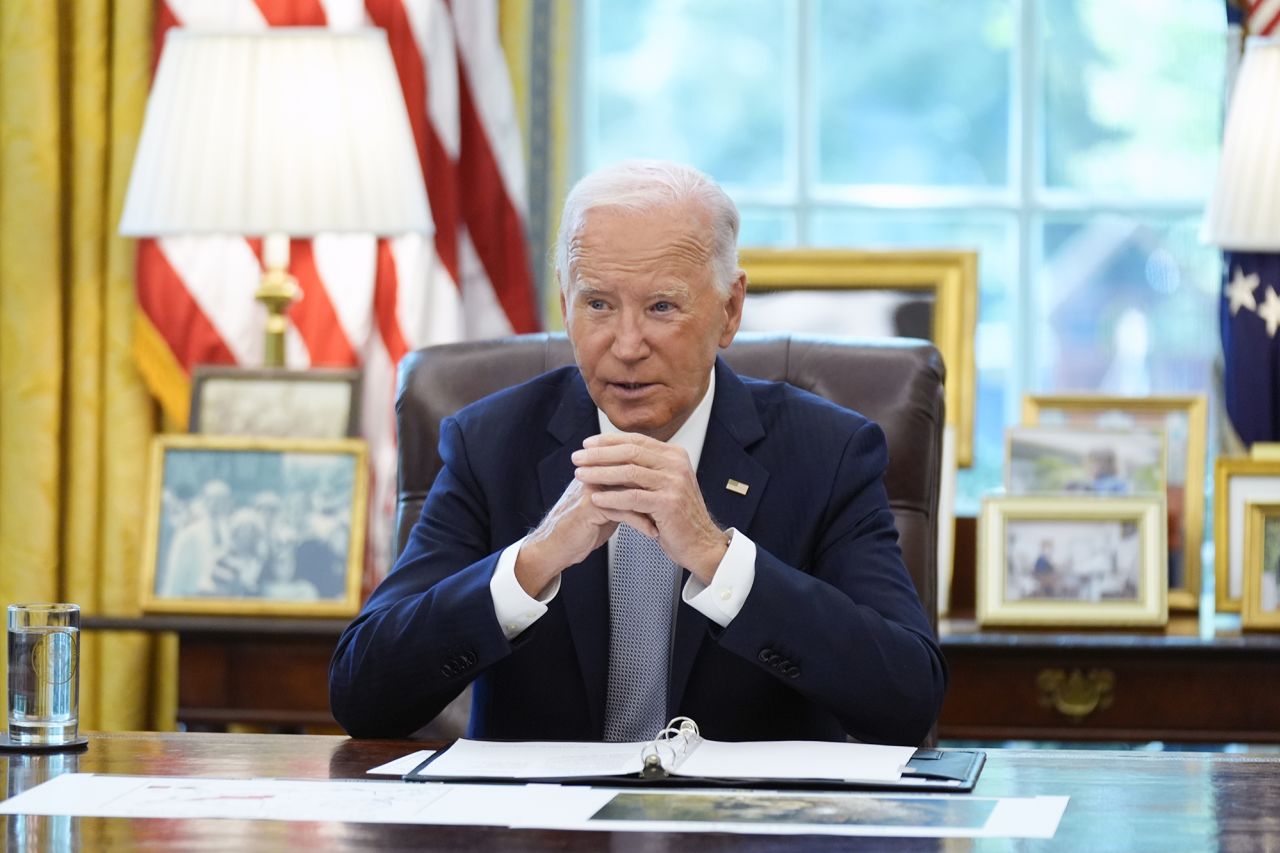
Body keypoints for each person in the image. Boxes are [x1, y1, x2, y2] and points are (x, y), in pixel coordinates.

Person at [329, 160, 946, 746]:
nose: (626, 346)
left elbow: (906, 699)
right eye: (598, 304)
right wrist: (535, 561)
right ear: (566, 305)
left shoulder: (829, 452)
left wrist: (715, 555)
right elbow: (364, 695)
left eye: (661, 307)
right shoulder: (490, 443)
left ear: (729, 311)